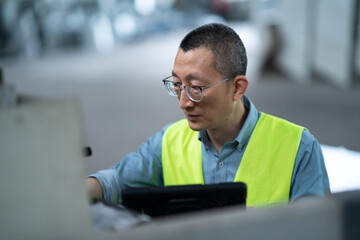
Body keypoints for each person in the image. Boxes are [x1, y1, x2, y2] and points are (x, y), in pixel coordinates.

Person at [87, 23, 330, 207]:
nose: (183, 103)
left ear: (237, 88)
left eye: (196, 88)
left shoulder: (299, 148)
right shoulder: (169, 142)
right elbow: (115, 182)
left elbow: (316, 229)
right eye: (177, 85)